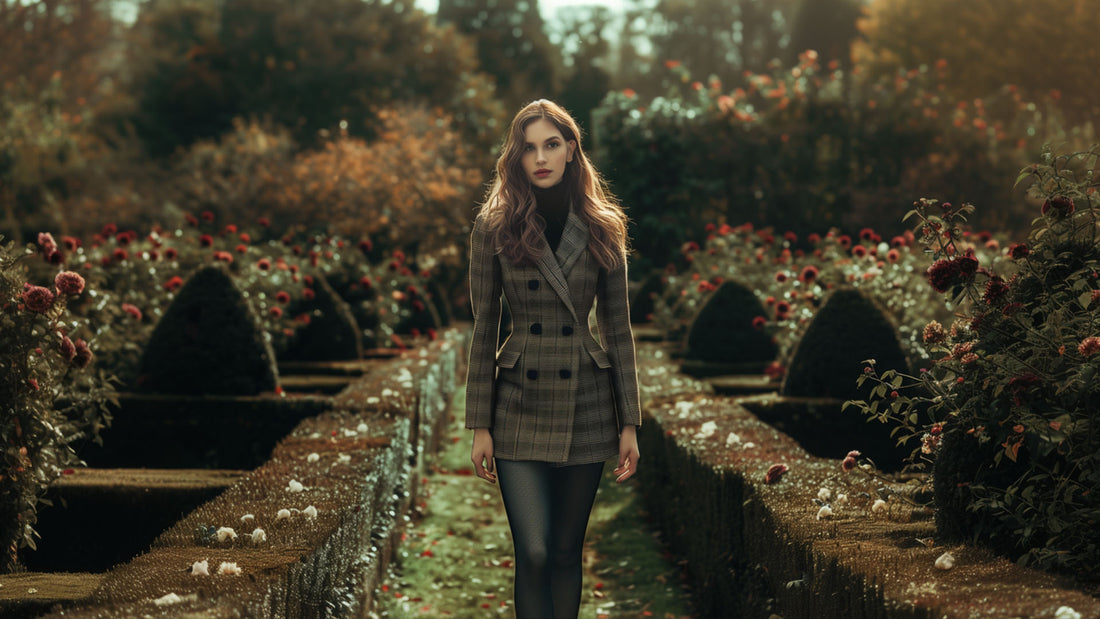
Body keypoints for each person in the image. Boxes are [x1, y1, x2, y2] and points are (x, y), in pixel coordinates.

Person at [465, 99, 642, 619]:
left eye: (551, 144)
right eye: (528, 148)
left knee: (566, 552)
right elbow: (483, 328)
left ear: (570, 150)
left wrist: (629, 421)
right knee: (535, 551)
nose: (540, 157)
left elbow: (618, 330)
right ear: (515, 158)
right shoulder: (493, 227)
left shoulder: (604, 225)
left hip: (586, 403)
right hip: (517, 402)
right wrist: (479, 424)